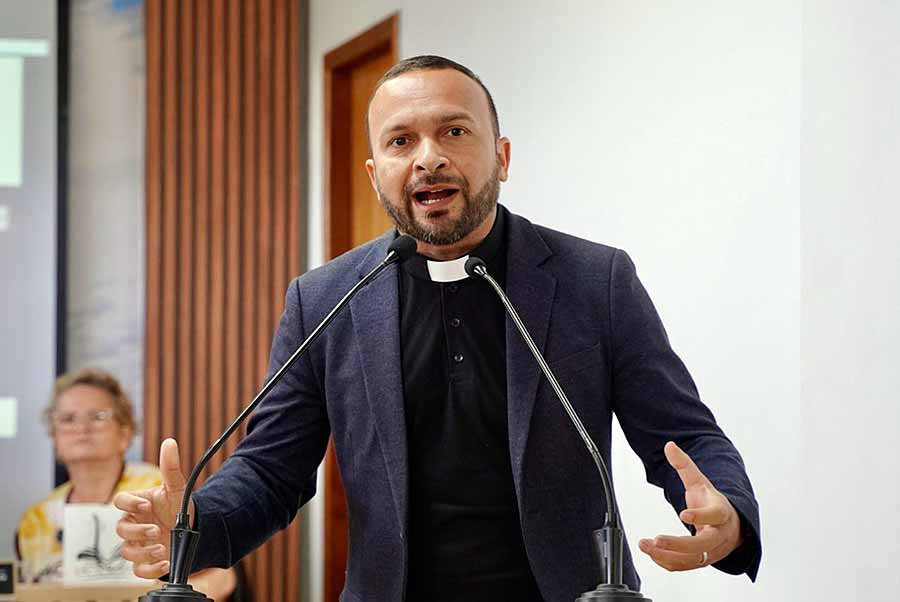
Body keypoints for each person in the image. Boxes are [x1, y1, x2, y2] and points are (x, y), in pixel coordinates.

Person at [115, 56, 761, 601]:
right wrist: (195, 520)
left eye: (454, 131)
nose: (429, 159)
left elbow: (683, 435)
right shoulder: (325, 299)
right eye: (401, 142)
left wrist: (727, 513)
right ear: (376, 175)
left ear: (501, 157)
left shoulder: (595, 281)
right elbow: (270, 470)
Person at [15, 369, 242, 600]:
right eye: (68, 419)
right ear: (54, 437)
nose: (81, 428)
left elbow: (222, 578)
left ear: (125, 432)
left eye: (97, 416)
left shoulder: (159, 489)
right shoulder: (35, 520)